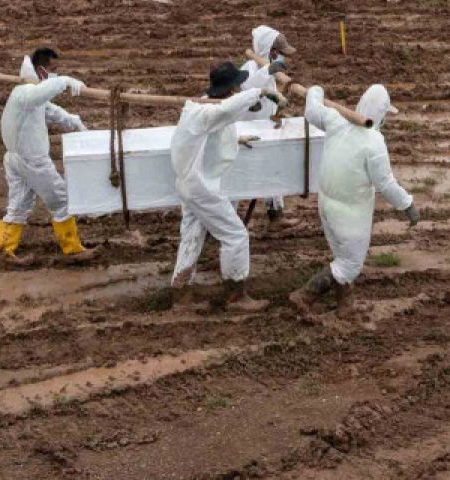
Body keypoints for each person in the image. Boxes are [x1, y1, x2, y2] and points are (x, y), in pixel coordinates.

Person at [289, 84, 418, 316]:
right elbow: (385, 184)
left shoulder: (336, 121)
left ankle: (345, 304)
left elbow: (311, 111)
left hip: (325, 204)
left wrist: (315, 91)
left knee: (342, 255)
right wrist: (406, 204)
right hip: (350, 212)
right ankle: (305, 294)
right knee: (350, 264)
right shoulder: (374, 142)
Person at [170, 62, 288, 312]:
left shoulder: (200, 105)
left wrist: (236, 138)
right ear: (229, 89)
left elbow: (219, 123)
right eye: (235, 87)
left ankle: (180, 294)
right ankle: (236, 295)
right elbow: (225, 111)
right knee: (236, 236)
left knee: (191, 236)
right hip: (201, 187)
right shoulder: (206, 112)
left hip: (189, 183)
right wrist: (261, 92)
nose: (237, 91)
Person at [0, 48, 97, 267]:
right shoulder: (25, 93)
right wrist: (65, 82)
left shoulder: (27, 96)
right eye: (54, 71)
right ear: (41, 71)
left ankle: (5, 250)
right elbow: (41, 95)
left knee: (19, 205)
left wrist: (74, 121)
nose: (56, 75)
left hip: (16, 159)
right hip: (32, 161)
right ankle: (72, 249)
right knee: (61, 201)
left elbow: (51, 110)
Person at [239, 25, 297, 224]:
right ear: (270, 50)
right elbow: (247, 88)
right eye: (279, 53)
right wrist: (268, 71)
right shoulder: (249, 69)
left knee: (272, 167)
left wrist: (278, 102)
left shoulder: (267, 68)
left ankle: (275, 209)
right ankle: (223, 220)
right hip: (248, 131)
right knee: (239, 174)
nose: (281, 57)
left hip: (265, 128)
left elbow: (268, 91)